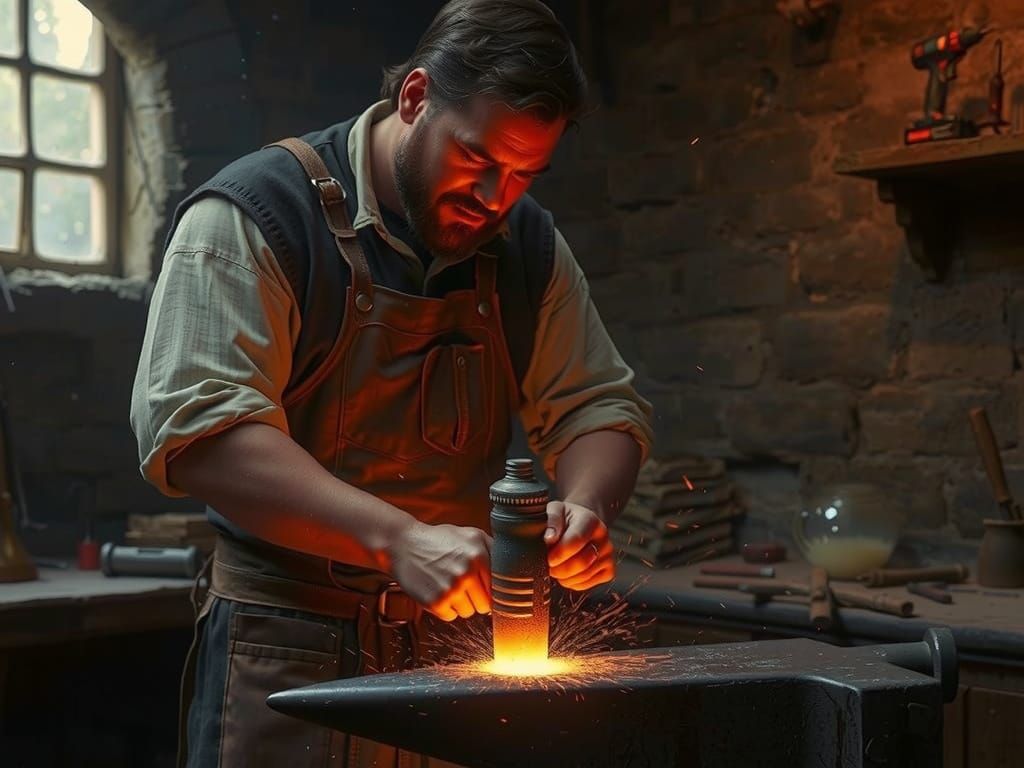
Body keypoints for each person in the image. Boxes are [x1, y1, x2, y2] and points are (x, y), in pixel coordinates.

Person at [130, 1, 653, 766]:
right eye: (476, 161)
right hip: (287, 654)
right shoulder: (256, 217)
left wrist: (586, 506)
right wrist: (397, 539)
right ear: (414, 98)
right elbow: (200, 435)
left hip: (456, 656)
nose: (495, 200)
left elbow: (598, 405)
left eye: (524, 175)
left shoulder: (523, 241)